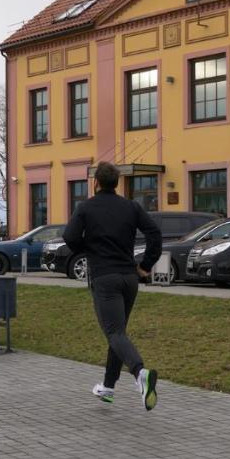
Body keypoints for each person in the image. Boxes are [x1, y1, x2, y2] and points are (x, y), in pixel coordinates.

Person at [63, 161, 162, 411]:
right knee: (118, 333)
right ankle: (107, 387)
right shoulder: (131, 206)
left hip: (104, 279)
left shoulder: (85, 207)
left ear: (96, 182)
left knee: (115, 333)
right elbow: (154, 233)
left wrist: (90, 250)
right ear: (116, 183)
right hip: (129, 278)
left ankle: (141, 373)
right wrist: (146, 265)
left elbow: (70, 237)